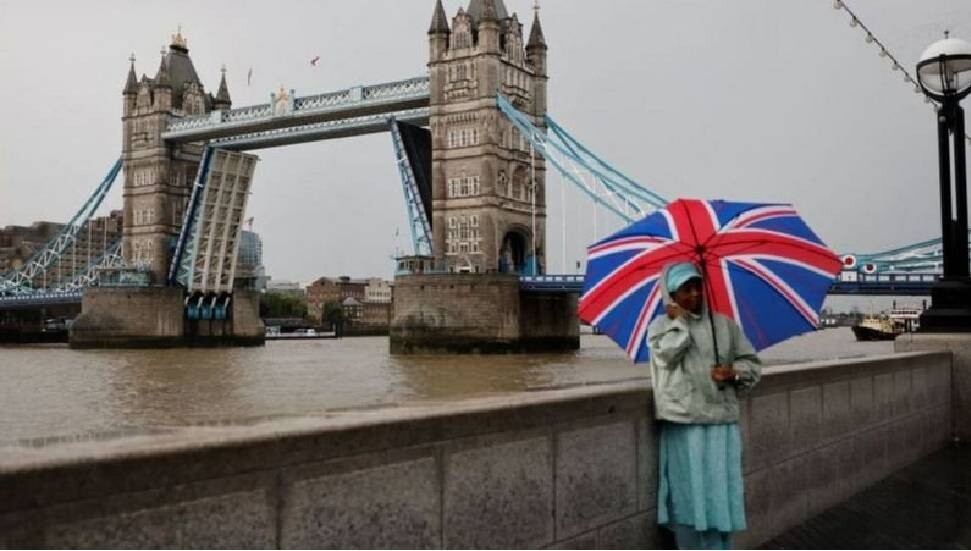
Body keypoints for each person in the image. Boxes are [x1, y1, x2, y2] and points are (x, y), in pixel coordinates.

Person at [648, 262, 762, 550]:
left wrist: (732, 372)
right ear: (671, 294)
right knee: (688, 496)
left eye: (698, 286)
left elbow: (753, 365)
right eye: (686, 289)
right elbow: (667, 357)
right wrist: (680, 323)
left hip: (722, 423)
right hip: (684, 424)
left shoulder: (724, 325)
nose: (695, 294)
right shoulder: (660, 328)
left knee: (718, 494)